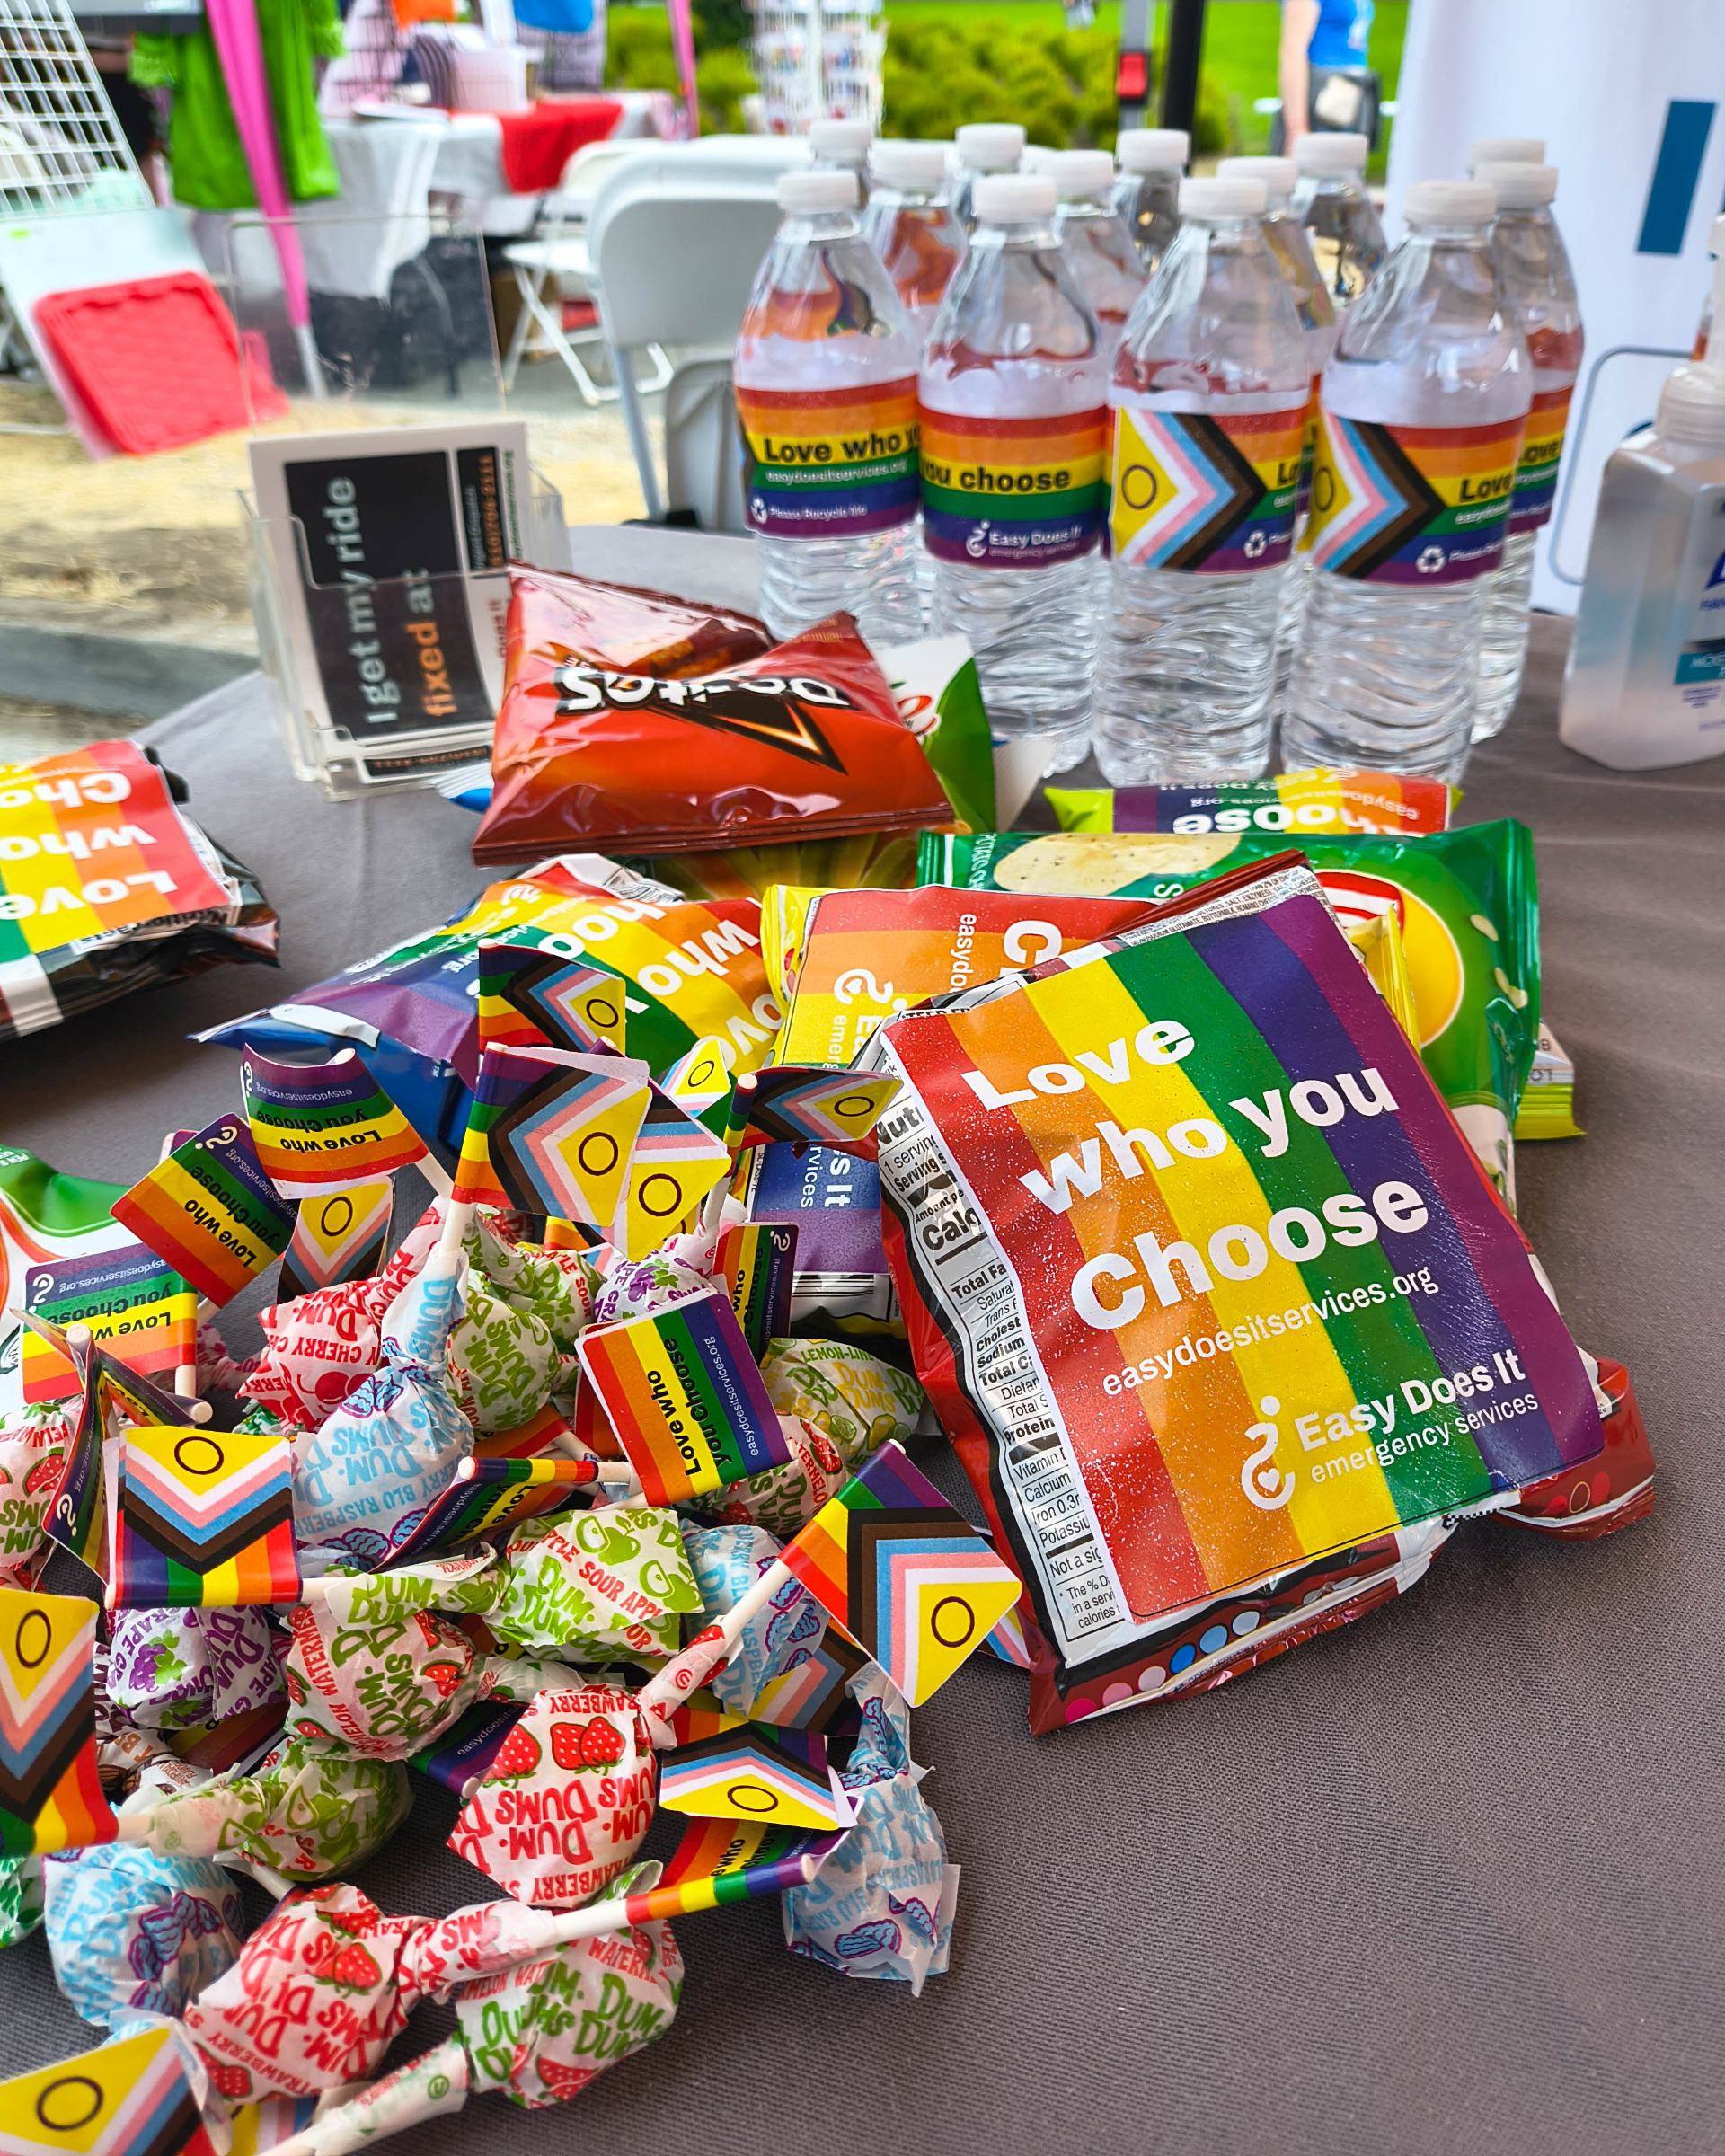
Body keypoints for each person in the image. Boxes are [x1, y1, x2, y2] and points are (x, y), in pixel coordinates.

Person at [1276, 0, 1378, 152]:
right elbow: (1292, 51)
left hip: (1351, 96)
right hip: (1322, 99)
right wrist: (1296, 128)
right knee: (1316, 168)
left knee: (1345, 169)